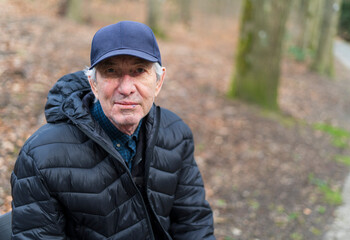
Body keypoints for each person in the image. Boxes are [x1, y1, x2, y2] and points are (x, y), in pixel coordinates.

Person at [10, 21, 215, 239]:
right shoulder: (41, 157)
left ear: (158, 81)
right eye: (111, 71)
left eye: (139, 71)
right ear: (93, 83)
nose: (126, 89)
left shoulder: (175, 134)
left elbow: (194, 225)